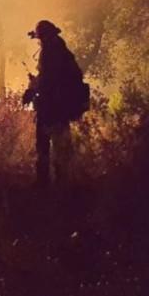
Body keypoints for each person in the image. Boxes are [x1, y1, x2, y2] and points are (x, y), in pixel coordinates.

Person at [22, 20, 87, 189]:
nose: (39, 41)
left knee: (46, 145)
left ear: (44, 36)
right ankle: (64, 183)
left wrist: (33, 89)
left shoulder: (51, 53)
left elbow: (48, 80)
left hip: (52, 107)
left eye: (39, 38)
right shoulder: (61, 51)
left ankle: (48, 184)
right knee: (62, 145)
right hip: (59, 107)